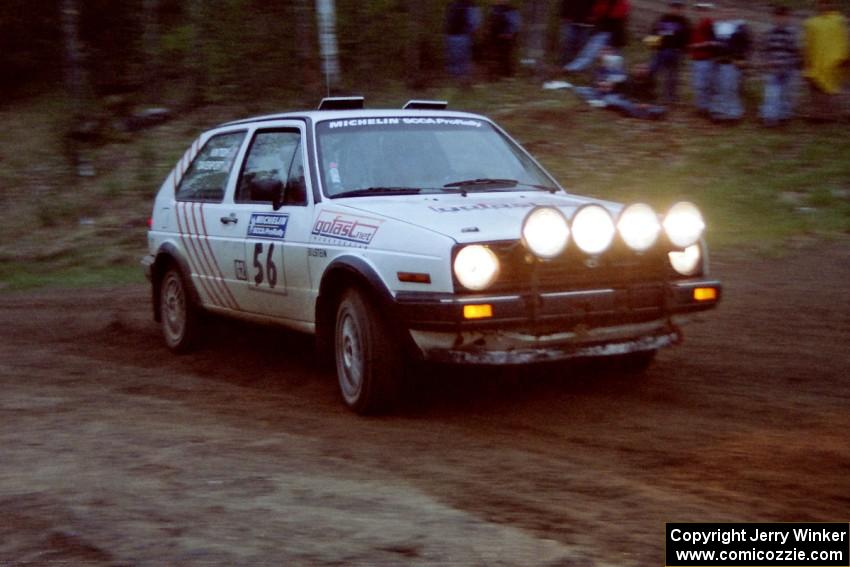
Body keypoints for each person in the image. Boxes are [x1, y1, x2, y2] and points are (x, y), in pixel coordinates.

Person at [574, 49, 666, 119]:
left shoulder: (651, 81)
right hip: (627, 101)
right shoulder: (628, 79)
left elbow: (653, 96)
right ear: (633, 69)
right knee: (614, 100)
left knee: (659, 109)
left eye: (644, 68)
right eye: (639, 68)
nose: (641, 70)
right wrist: (606, 86)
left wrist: (647, 103)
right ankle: (640, 113)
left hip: (643, 104)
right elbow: (622, 90)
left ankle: (644, 113)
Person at [803, 0, 849, 122]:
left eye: (827, 3)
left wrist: (845, 56)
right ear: (817, 5)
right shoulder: (812, 23)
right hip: (817, 60)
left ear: (833, 4)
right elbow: (808, 43)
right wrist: (807, 62)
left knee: (836, 89)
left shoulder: (839, 20)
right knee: (817, 88)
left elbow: (844, 38)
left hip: (835, 60)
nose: (824, 6)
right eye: (822, 3)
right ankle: (819, 115)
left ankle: (837, 114)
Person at [710, 5, 752, 122]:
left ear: (735, 12)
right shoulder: (716, 26)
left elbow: (746, 45)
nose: (727, 13)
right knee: (718, 88)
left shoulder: (740, 27)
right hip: (718, 62)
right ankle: (719, 112)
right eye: (724, 11)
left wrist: (743, 59)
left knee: (732, 88)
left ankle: (733, 114)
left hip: (733, 62)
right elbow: (713, 43)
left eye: (730, 10)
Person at [760, 6, 800, 126]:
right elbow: (764, 50)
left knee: (786, 93)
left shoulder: (791, 33)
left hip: (788, 68)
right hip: (773, 68)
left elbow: (795, 51)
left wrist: (793, 64)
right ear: (774, 18)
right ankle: (770, 117)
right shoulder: (769, 33)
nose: (781, 20)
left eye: (784, 17)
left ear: (788, 18)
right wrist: (765, 61)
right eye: (778, 17)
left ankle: (784, 116)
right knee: (772, 94)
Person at [564, 0, 630, 72]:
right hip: (602, 30)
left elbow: (618, 14)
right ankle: (572, 68)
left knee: (614, 54)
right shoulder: (602, 3)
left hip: (615, 32)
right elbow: (597, 12)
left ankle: (616, 75)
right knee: (590, 51)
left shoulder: (620, 3)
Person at [648, 0, 692, 104]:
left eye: (679, 7)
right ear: (670, 8)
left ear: (682, 9)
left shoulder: (684, 21)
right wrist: (653, 46)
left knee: (672, 76)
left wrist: (683, 50)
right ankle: (648, 92)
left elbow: (687, 37)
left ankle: (670, 98)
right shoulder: (662, 19)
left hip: (675, 52)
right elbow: (653, 31)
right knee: (652, 71)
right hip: (660, 51)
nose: (676, 9)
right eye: (674, 7)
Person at [689, 3, 718, 116]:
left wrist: (698, 46)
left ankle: (708, 108)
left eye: (704, 10)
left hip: (706, 58)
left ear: (708, 10)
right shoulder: (698, 24)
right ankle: (701, 107)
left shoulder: (710, 24)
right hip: (697, 58)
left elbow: (713, 42)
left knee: (706, 85)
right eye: (699, 9)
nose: (701, 12)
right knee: (699, 85)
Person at [445, 0, 481, 80]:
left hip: (451, 36)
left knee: (454, 60)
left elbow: (447, 21)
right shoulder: (471, 6)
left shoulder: (452, 5)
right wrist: (475, 36)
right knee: (463, 61)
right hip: (463, 37)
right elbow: (475, 24)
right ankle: (462, 81)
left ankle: (457, 81)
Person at [487, 0, 521, 78]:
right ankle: (495, 75)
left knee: (505, 57)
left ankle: (506, 75)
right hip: (495, 37)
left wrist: (509, 34)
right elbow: (490, 22)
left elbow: (515, 25)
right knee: (496, 57)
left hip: (505, 37)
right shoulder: (494, 9)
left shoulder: (510, 10)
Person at [560, 0, 596, 66]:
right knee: (568, 41)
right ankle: (565, 65)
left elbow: (596, 5)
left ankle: (578, 66)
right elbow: (565, 3)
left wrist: (593, 16)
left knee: (582, 44)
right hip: (571, 20)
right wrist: (564, 15)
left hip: (587, 22)